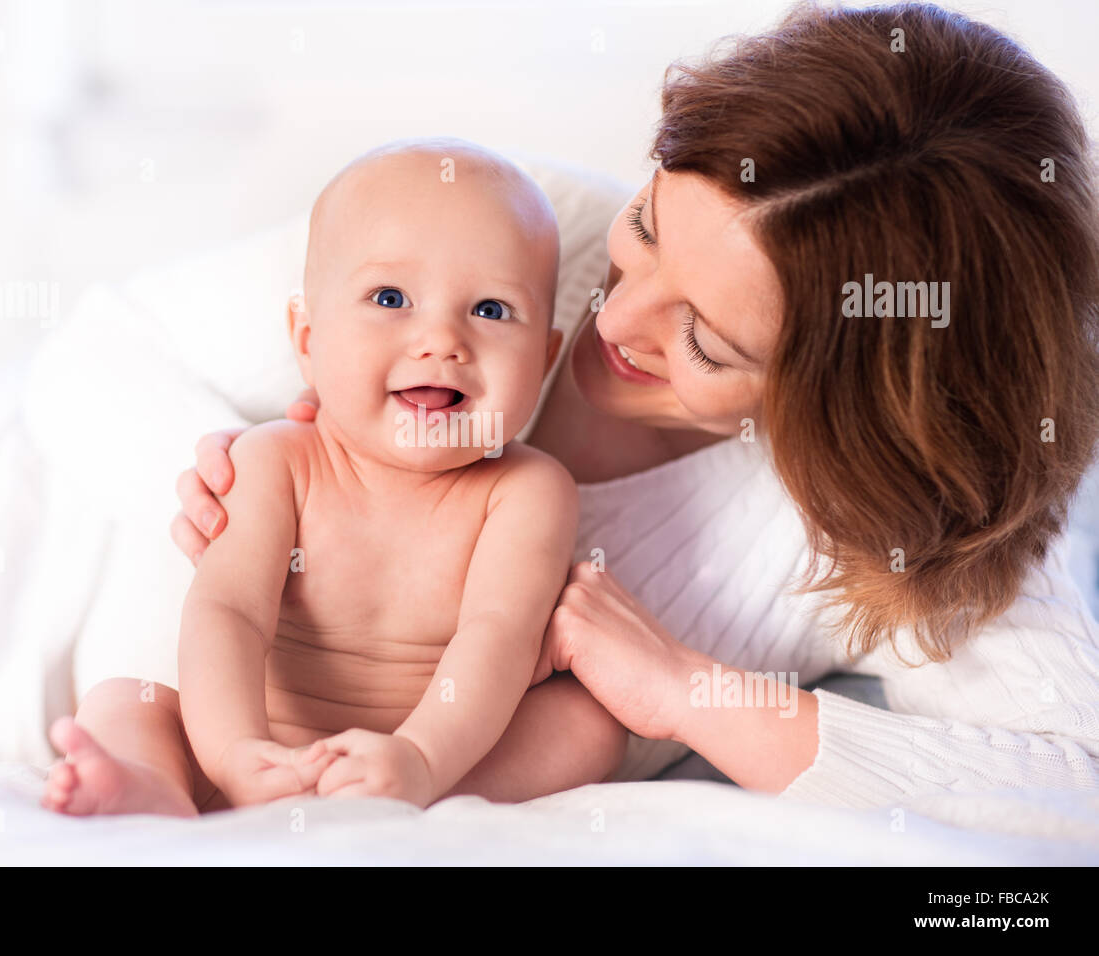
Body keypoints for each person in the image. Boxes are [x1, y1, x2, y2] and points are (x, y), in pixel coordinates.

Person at [173, 2, 1099, 805]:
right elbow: (103, 355)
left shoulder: (899, 526)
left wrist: (686, 691)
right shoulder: (503, 225)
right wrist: (228, 484)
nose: (609, 315)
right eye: (648, 227)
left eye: (703, 338)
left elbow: (1064, 788)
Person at [42, 139, 629, 816]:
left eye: (491, 310)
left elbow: (496, 637)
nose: (441, 340)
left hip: (442, 750)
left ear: (544, 356)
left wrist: (420, 758)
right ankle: (159, 788)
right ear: (308, 340)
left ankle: (400, 793)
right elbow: (226, 613)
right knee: (121, 701)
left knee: (588, 728)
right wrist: (234, 752)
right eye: (390, 297)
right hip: (264, 750)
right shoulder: (275, 462)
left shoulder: (526, 491)